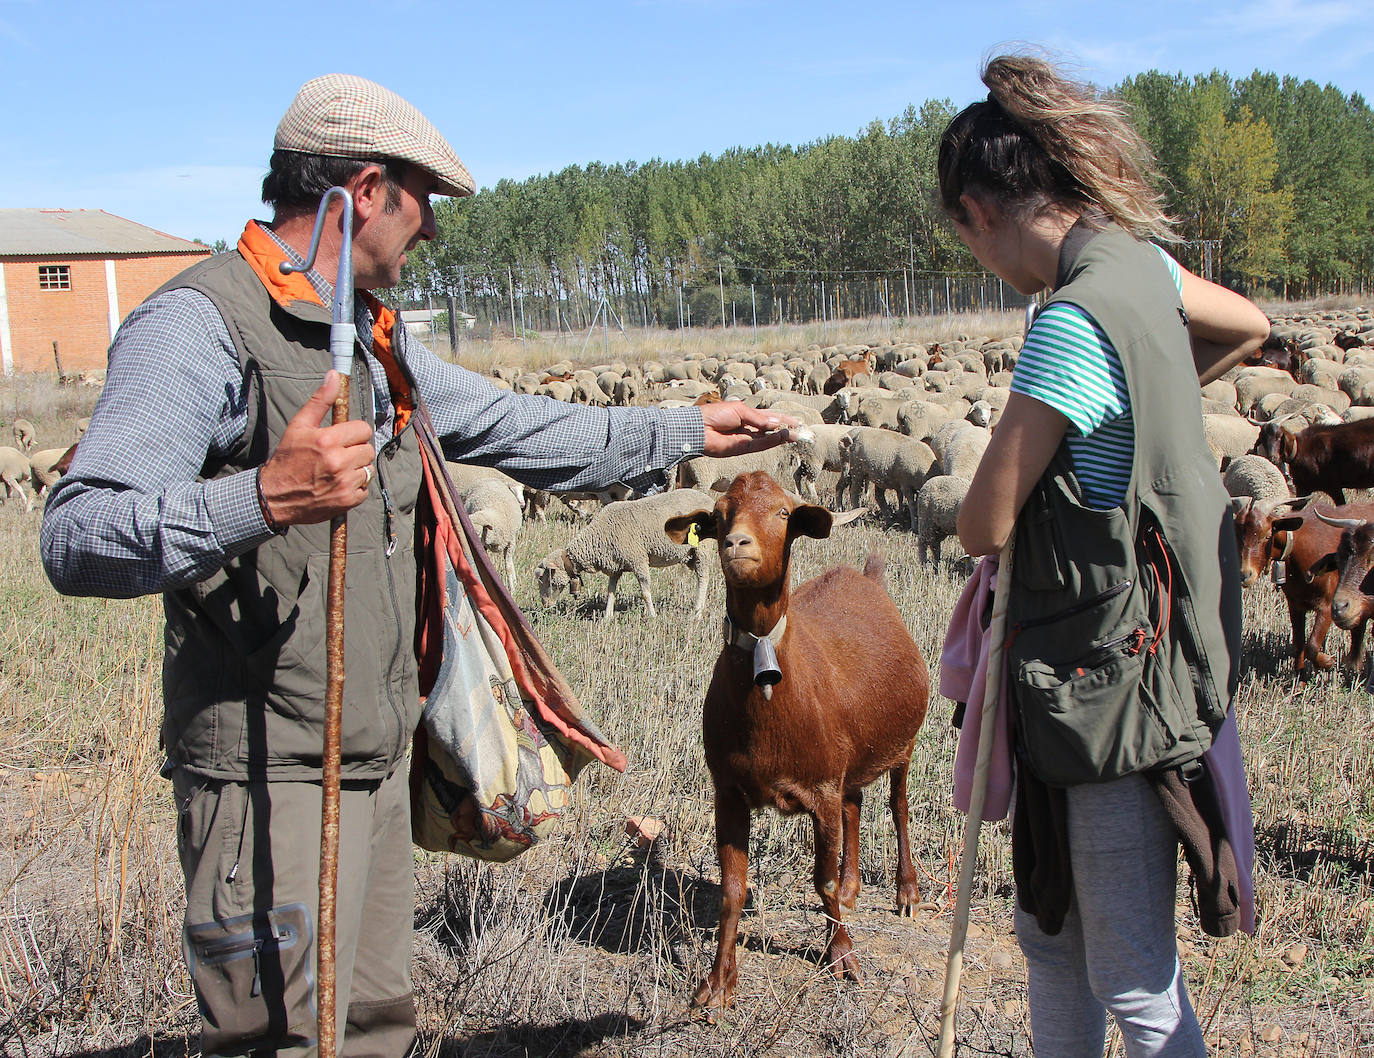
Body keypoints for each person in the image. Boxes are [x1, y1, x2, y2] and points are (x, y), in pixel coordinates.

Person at [40, 73, 795, 1058]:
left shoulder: (368, 338)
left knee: (371, 1032)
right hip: (269, 784)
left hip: (371, 770)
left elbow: (527, 427)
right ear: (364, 189)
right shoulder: (202, 325)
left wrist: (689, 426)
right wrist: (263, 497)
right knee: (282, 1038)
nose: (430, 230)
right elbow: (77, 532)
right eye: (422, 200)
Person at [937, 56, 1269, 1057]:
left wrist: (1071, 412)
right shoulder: (1138, 265)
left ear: (977, 213)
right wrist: (1145, 400)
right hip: (1125, 668)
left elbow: (982, 525)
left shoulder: (1069, 326)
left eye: (966, 243)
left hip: (1104, 688)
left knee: (1131, 969)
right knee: (1049, 935)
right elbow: (1249, 323)